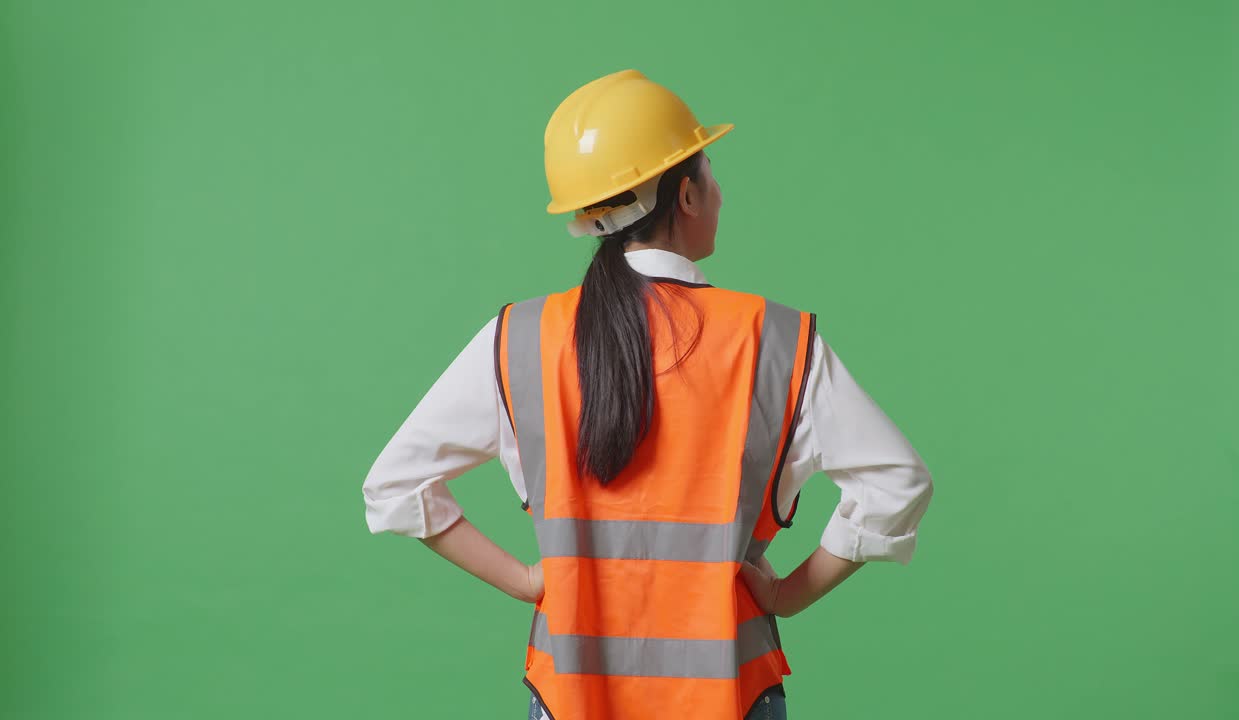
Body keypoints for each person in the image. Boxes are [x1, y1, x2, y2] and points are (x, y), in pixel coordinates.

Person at [362, 69, 935, 720]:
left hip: (570, 698)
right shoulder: (776, 342)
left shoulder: (519, 340)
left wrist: (526, 581)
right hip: (731, 700)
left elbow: (394, 486)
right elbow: (898, 484)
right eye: (710, 171)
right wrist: (789, 595)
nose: (720, 189)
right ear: (686, 195)